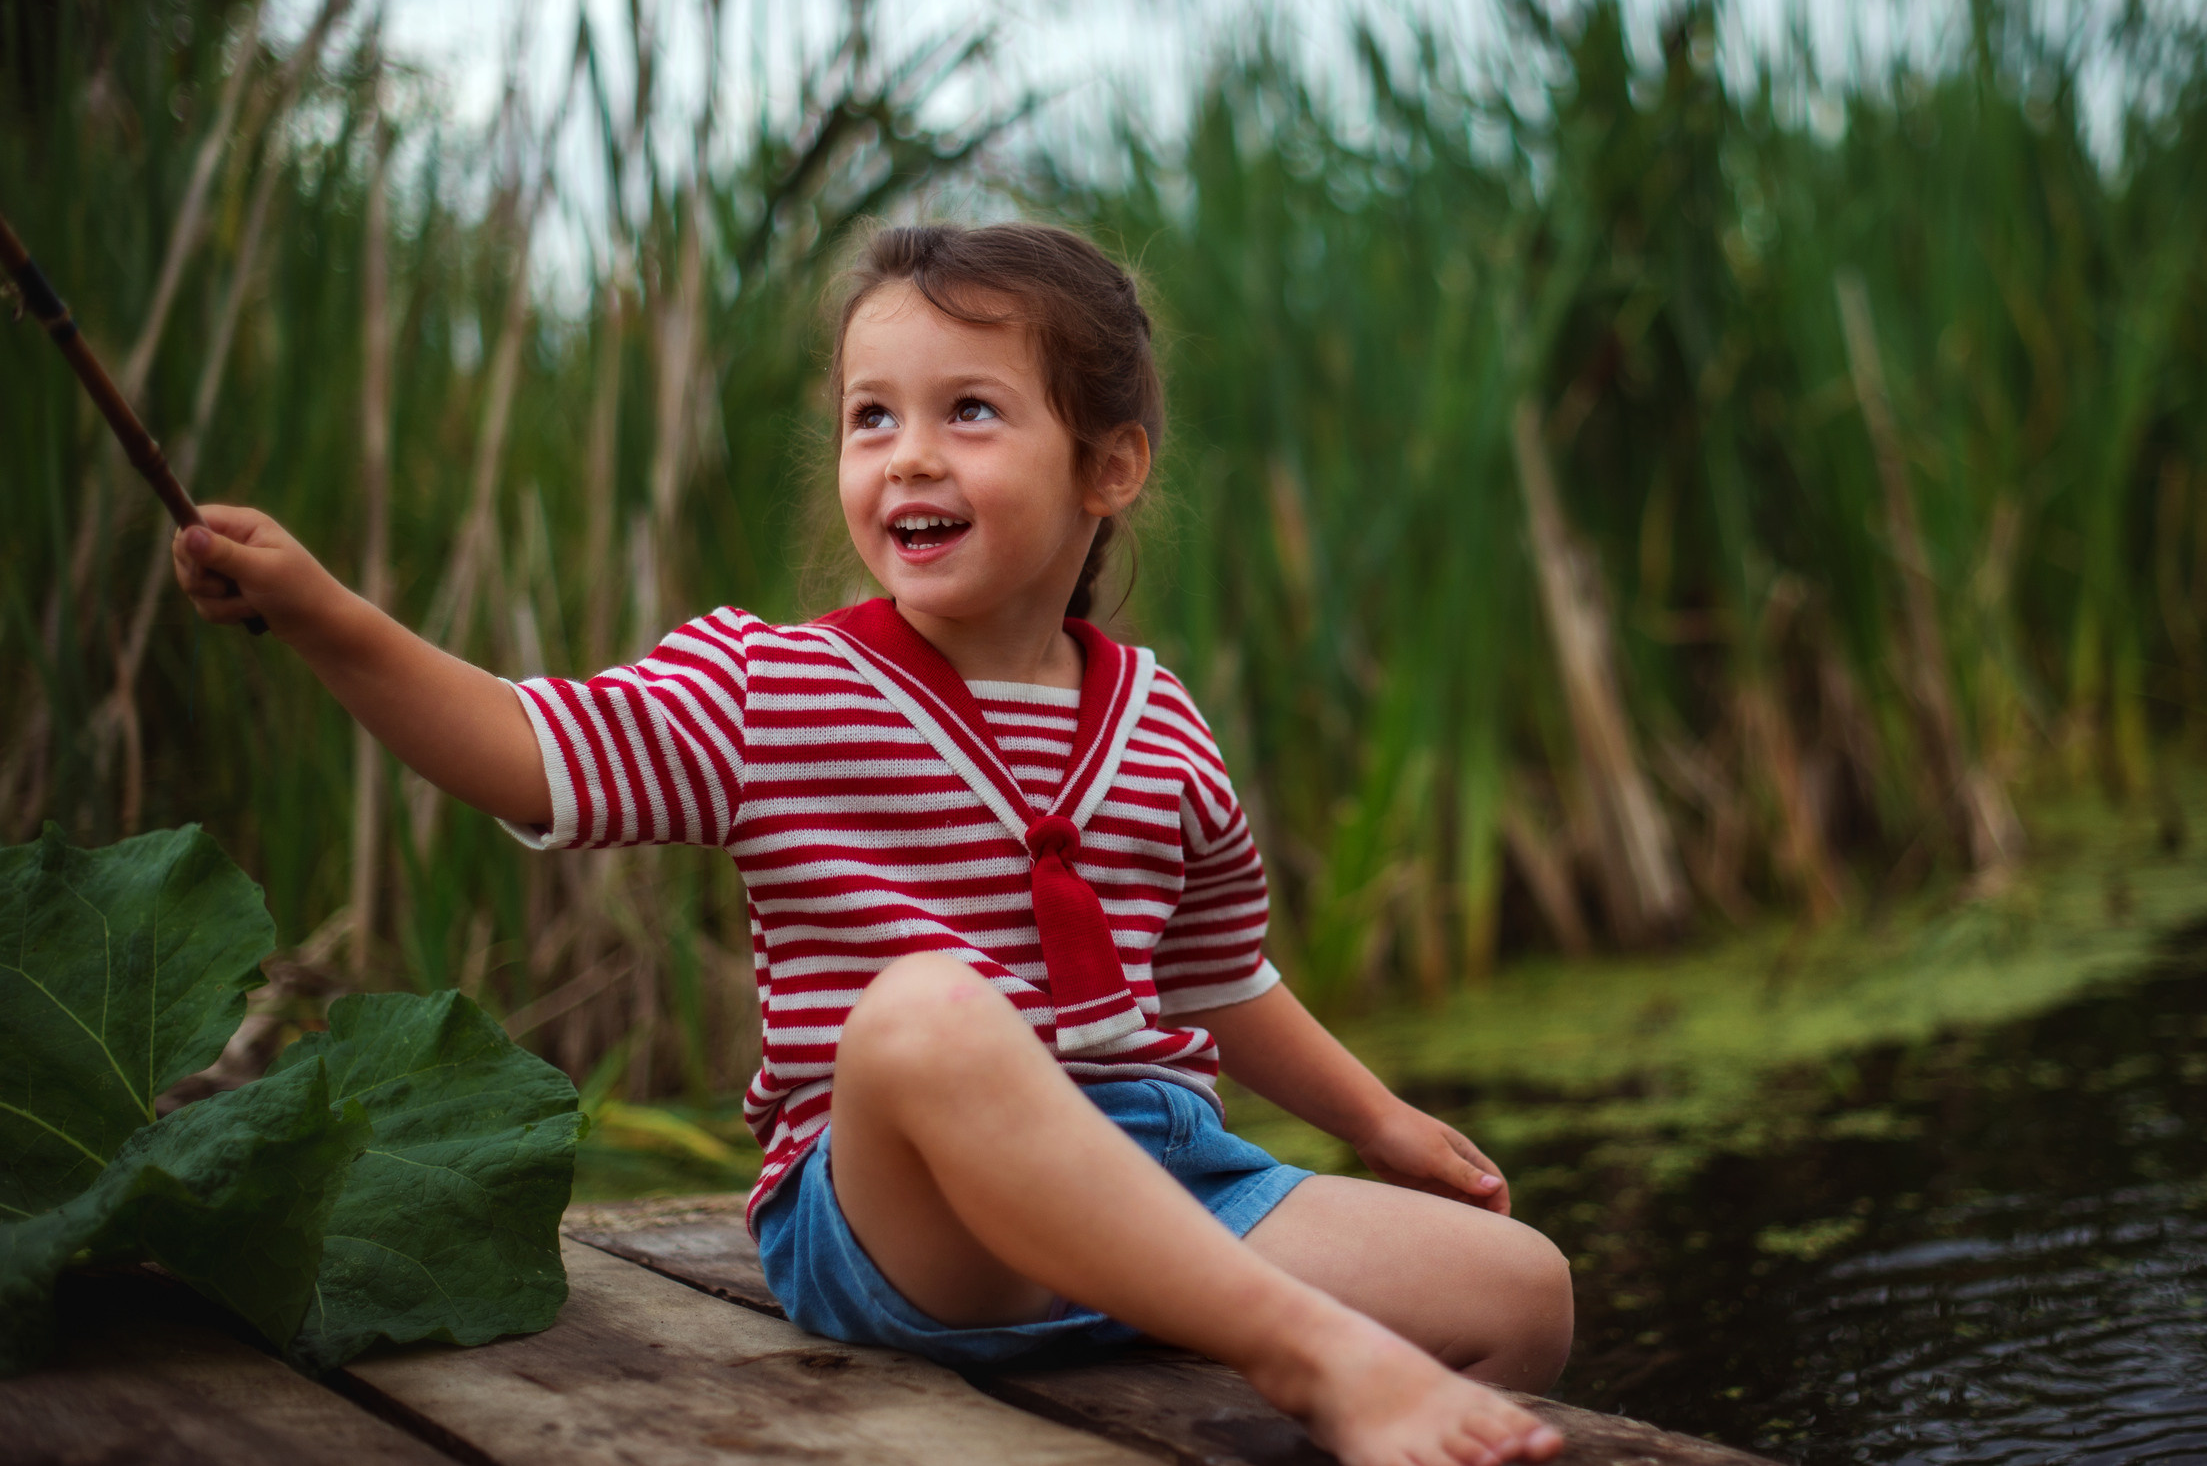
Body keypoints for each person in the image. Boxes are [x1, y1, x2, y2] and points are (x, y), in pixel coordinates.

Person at [172, 221, 1570, 1466]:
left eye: (970, 411)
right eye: (870, 417)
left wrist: (1378, 1119)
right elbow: (524, 748)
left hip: (1163, 1178)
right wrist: (327, 619)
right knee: (925, 1009)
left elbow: (1218, 978)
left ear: (1110, 465)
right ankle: (1304, 1348)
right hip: (909, 1219)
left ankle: (1282, 1346)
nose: (908, 453)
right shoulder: (772, 688)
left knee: (1522, 1290)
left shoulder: (1161, 719)